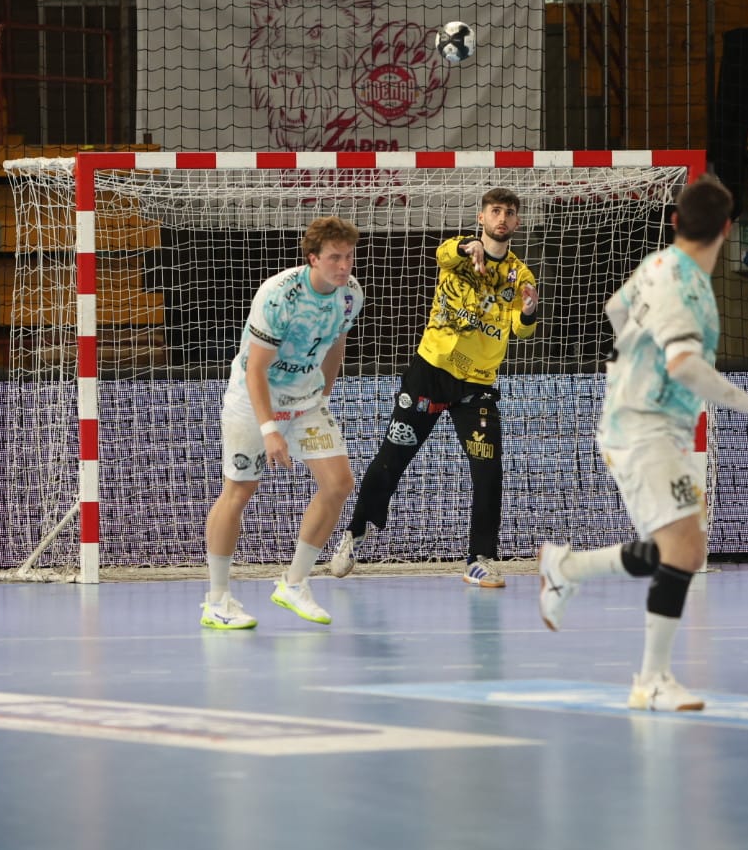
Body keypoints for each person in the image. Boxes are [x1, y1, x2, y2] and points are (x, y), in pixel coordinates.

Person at [536, 175, 748, 711]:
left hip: (650, 423)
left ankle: (564, 568)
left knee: (679, 550)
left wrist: (631, 363)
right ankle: (651, 680)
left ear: (674, 222)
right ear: (728, 229)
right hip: (643, 427)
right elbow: (684, 364)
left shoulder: (655, 266)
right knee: (685, 550)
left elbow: (617, 312)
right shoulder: (685, 285)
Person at [328, 187, 538, 588]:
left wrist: (529, 311)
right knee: (392, 458)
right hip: (430, 371)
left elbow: (521, 331)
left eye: (510, 213)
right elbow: (444, 253)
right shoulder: (457, 252)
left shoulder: (520, 275)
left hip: (476, 384)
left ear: (517, 222)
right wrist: (467, 248)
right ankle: (355, 533)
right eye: (495, 211)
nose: (503, 218)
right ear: (481, 217)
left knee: (488, 471)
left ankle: (479, 558)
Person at [200, 216, 364, 631]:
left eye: (348, 257)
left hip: (305, 399)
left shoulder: (350, 296)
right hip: (255, 398)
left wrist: (322, 398)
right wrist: (270, 429)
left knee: (339, 483)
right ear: (313, 258)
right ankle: (216, 600)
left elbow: (335, 345)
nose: (343, 266)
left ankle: (293, 584)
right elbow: (256, 369)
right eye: (334, 258)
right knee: (239, 491)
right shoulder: (280, 295)